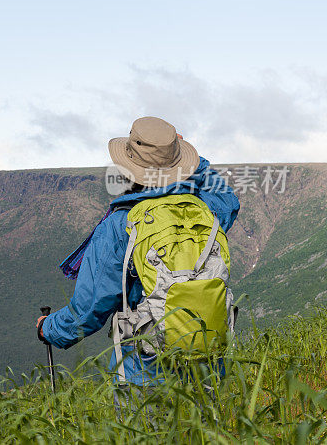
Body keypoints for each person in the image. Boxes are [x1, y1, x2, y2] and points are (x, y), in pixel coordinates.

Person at [36, 116, 240, 385]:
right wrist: (188, 157)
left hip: (146, 373)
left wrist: (48, 328)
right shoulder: (205, 211)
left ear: (128, 169)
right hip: (207, 369)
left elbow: (87, 313)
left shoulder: (121, 225)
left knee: (145, 427)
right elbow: (227, 199)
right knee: (203, 427)